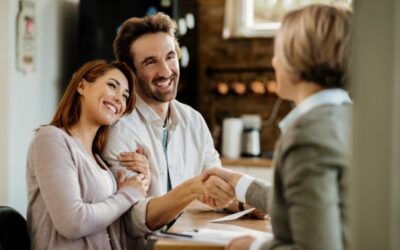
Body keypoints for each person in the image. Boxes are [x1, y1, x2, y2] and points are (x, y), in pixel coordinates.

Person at [203, 4, 352, 250]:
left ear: (298, 58)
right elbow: (309, 205)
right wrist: (240, 183)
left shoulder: (309, 135)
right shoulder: (349, 118)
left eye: (278, 51)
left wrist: (253, 247)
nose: (273, 61)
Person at [101, 12, 255, 243]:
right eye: (151, 62)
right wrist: (193, 188)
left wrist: (245, 205)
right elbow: (131, 221)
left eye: (170, 57)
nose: (166, 71)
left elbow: (214, 191)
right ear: (129, 71)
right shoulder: (119, 129)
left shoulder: (193, 121)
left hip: (190, 240)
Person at [26, 60, 150, 250]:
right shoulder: (51, 139)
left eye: (125, 96)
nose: (119, 99)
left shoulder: (97, 159)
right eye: (112, 86)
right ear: (82, 86)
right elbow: (73, 222)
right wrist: (128, 194)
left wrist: (141, 182)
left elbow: (111, 218)